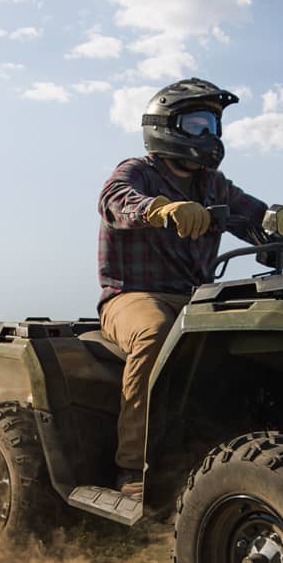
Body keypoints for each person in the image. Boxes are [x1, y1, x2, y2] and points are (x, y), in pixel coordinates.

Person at [96, 77, 272, 496]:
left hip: (198, 298)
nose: (209, 136)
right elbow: (115, 200)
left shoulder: (215, 185)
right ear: (166, 126)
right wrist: (159, 209)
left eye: (213, 124)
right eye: (197, 124)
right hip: (133, 295)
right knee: (155, 334)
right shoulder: (138, 171)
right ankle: (132, 468)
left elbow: (261, 219)